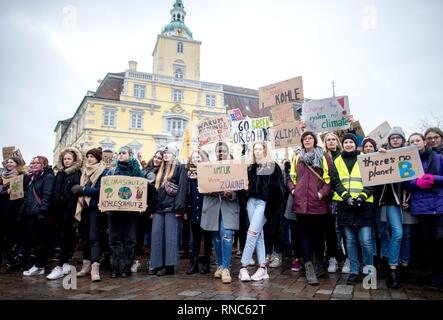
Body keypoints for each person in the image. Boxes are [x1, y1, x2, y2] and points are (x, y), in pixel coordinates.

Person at [287, 131, 333, 285]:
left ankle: (319, 262)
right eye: (304, 138)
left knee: (319, 235)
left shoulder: (324, 156)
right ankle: (309, 266)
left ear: (314, 140)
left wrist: (321, 194)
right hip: (301, 204)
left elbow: (329, 179)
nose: (307, 140)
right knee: (305, 235)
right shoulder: (296, 157)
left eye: (309, 138)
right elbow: (291, 177)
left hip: (318, 204)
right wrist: (293, 190)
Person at [331, 133, 375, 285]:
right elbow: (335, 181)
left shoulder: (365, 158)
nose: (348, 144)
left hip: (364, 204)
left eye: (351, 142)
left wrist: (362, 196)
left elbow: (372, 179)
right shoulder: (337, 160)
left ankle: (369, 272)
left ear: (356, 144)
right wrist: (346, 196)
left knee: (366, 240)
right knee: (350, 240)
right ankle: (354, 272)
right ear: (342, 145)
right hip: (345, 204)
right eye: (346, 142)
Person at [239, 141, 284, 282]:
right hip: (251, 202)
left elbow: (279, 190)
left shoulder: (272, 167)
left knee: (252, 233)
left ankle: (243, 266)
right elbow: (244, 188)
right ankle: (263, 268)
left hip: (264, 203)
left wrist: (270, 207)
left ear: (265, 151)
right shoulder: (250, 168)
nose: (257, 151)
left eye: (260, 149)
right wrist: (245, 190)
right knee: (258, 234)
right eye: (255, 149)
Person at [201, 142, 240, 284]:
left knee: (227, 235)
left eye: (223, 150)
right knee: (216, 237)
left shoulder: (235, 168)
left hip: (228, 207)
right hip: (213, 207)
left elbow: (240, 188)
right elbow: (202, 186)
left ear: (227, 151)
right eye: (218, 151)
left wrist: (231, 193)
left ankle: (226, 268)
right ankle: (219, 264)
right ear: (215, 153)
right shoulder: (208, 168)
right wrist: (208, 189)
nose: (221, 153)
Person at [408, 133, 443, 289]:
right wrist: (416, 182)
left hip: (438, 206)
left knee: (440, 241)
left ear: (424, 142)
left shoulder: (438, 158)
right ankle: (435, 277)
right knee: (428, 244)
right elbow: (406, 182)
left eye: (417, 140)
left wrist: (434, 178)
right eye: (412, 141)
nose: (415, 143)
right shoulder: (408, 160)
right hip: (421, 208)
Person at [378, 126, 410, 288]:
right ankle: (393, 269)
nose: (395, 140)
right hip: (391, 201)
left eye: (398, 137)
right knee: (397, 233)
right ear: (389, 140)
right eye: (392, 138)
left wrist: (409, 198)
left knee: (407, 235)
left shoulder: (411, 155)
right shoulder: (383, 155)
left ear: (403, 140)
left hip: (409, 200)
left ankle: (405, 266)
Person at [71, 147, 108, 281]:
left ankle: (95, 268)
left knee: (94, 237)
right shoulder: (84, 172)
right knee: (84, 237)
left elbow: (103, 190)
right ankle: (85, 266)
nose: (89, 159)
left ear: (98, 158)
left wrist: (84, 189)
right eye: (88, 156)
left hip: (95, 208)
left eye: (92, 156)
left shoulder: (104, 171)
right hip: (84, 207)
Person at [106, 146, 144, 278]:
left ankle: (127, 267)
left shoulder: (137, 171)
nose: (121, 155)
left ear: (130, 155)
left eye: (124, 153)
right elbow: (104, 189)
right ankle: (115, 267)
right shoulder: (111, 171)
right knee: (114, 240)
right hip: (114, 211)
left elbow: (142, 188)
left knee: (130, 240)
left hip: (130, 212)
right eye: (119, 153)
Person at [150, 144, 188, 276]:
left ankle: (169, 265)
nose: (166, 155)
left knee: (170, 237)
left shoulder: (180, 168)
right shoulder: (161, 169)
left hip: (172, 208)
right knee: (156, 235)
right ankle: (156, 264)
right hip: (159, 208)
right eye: (165, 153)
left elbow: (182, 190)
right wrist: (152, 209)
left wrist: (179, 208)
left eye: (169, 153)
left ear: (174, 155)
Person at [46, 147, 83, 280]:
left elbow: (75, 192)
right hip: (59, 210)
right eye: (65, 158)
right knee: (61, 236)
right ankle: (65, 262)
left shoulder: (77, 173)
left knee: (66, 236)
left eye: (69, 159)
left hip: (70, 210)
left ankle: (61, 265)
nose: (66, 161)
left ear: (74, 160)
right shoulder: (61, 173)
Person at [22, 156, 55, 276]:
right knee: (34, 242)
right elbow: (27, 196)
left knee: (41, 242)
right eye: (32, 163)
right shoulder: (33, 177)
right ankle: (36, 264)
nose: (34, 165)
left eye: (37, 163)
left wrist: (42, 211)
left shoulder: (48, 177)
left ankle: (39, 266)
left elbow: (47, 195)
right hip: (30, 213)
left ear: (44, 165)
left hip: (40, 214)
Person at [361, 137, 390, 277]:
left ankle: (384, 258)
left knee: (382, 231)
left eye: (370, 147)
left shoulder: (380, 159)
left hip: (380, 202)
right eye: (365, 147)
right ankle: (372, 258)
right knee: (370, 233)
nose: (368, 149)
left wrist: (383, 153)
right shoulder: (360, 162)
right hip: (366, 204)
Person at [185, 150, 212, 275]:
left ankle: (206, 263)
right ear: (191, 160)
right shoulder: (187, 175)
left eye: (198, 157)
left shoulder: (207, 172)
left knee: (206, 237)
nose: (196, 159)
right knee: (194, 237)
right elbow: (184, 194)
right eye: (194, 157)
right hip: (193, 208)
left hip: (205, 208)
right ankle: (194, 263)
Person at [322, 132, 344, 273]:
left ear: (337, 142)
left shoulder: (342, 156)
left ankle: (344, 257)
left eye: (333, 139)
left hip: (342, 197)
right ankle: (332, 258)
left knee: (342, 230)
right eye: (328, 140)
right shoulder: (323, 157)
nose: (330, 141)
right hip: (327, 199)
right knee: (330, 230)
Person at [0, 157, 26, 270]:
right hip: (2, 208)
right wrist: (6, 192)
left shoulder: (20, 177)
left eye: (11, 162)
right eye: (7, 162)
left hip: (13, 210)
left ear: (17, 164)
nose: (8, 164)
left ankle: (11, 258)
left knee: (11, 235)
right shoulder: (1, 177)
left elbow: (21, 194)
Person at [141, 150, 164, 274]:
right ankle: (143, 261)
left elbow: (155, 193)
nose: (156, 159)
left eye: (159, 158)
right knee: (143, 235)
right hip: (141, 205)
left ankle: (153, 262)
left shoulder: (161, 173)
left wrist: (153, 210)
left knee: (151, 236)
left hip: (152, 206)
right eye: (155, 157)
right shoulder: (146, 169)